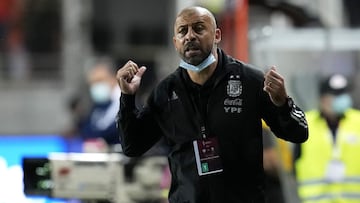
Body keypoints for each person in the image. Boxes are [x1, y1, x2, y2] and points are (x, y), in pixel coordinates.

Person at [116, 6, 308, 203]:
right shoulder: (165, 92)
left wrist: (283, 104)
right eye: (183, 31)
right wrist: (127, 98)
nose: (190, 36)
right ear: (176, 42)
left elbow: (299, 133)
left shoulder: (250, 81)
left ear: (216, 35)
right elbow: (132, 146)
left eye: (199, 28)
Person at [294, 73, 360, 203]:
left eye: (343, 94)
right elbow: (293, 165)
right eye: (336, 95)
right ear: (323, 99)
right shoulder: (304, 123)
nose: (342, 99)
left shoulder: (358, 122)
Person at [78, 56, 122, 150]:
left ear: (114, 78)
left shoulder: (126, 103)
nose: (96, 86)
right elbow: (86, 131)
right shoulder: (98, 106)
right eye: (92, 83)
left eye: (100, 81)